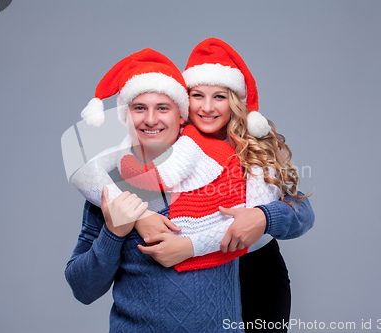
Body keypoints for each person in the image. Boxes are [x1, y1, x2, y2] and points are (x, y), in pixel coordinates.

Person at [135, 38, 314, 332]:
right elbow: (115, 184)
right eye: (197, 95)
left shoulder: (257, 145)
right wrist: (138, 216)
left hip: (257, 273)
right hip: (200, 275)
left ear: (234, 100)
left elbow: (303, 213)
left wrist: (264, 217)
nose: (207, 108)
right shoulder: (170, 141)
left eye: (219, 96)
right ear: (185, 98)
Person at [66, 48, 247, 332]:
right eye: (139, 108)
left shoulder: (219, 167)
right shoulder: (109, 184)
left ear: (182, 116)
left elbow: (296, 211)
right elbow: (83, 288)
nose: (151, 119)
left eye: (163, 108)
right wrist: (114, 232)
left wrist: (264, 218)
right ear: (126, 116)